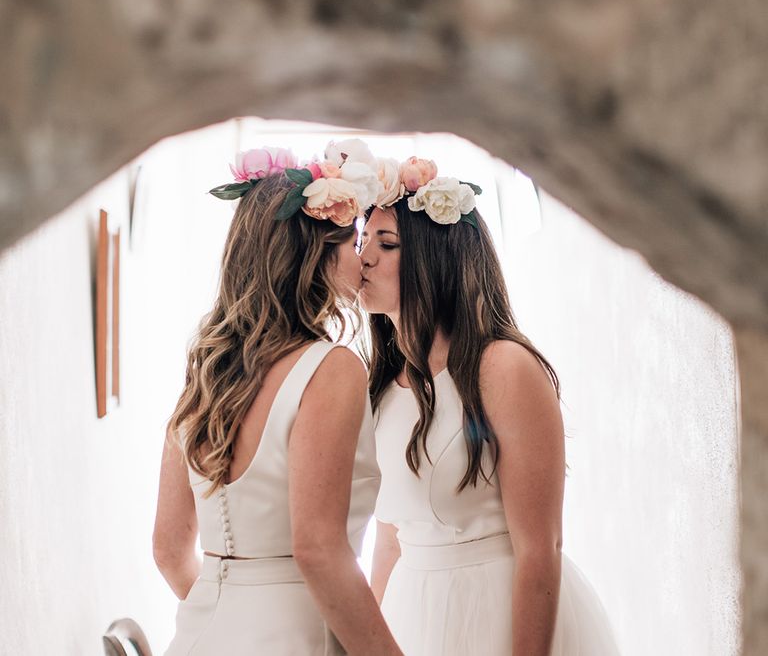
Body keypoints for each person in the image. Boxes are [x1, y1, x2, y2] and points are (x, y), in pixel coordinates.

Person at [358, 158, 620, 655]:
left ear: (436, 259)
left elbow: (540, 548)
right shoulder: (383, 384)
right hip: (412, 613)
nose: (364, 257)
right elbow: (390, 540)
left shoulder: (503, 367)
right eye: (362, 240)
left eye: (387, 243)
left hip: (495, 610)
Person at [153, 143, 402, 656]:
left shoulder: (207, 371)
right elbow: (318, 550)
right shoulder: (331, 368)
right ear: (317, 254)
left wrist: (234, 613)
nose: (361, 260)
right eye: (352, 242)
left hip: (200, 635)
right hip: (296, 634)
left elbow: (169, 550)